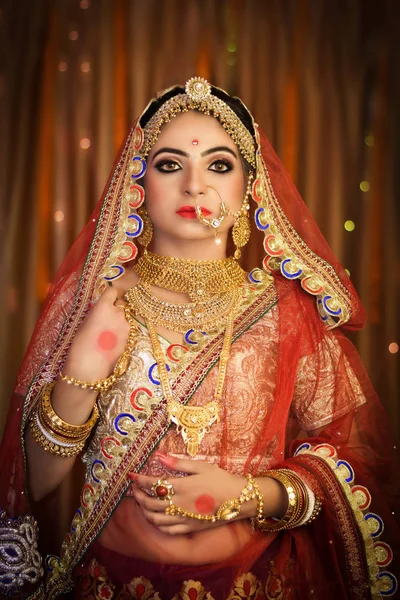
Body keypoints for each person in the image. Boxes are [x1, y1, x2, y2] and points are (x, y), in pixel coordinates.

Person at [0, 77, 398, 600]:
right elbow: (36, 483)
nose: (195, 185)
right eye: (170, 165)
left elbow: (361, 461)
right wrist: (87, 364)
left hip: (261, 585)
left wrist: (248, 495)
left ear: (249, 186)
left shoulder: (288, 314)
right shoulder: (94, 300)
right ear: (139, 182)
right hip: (106, 586)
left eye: (219, 164)